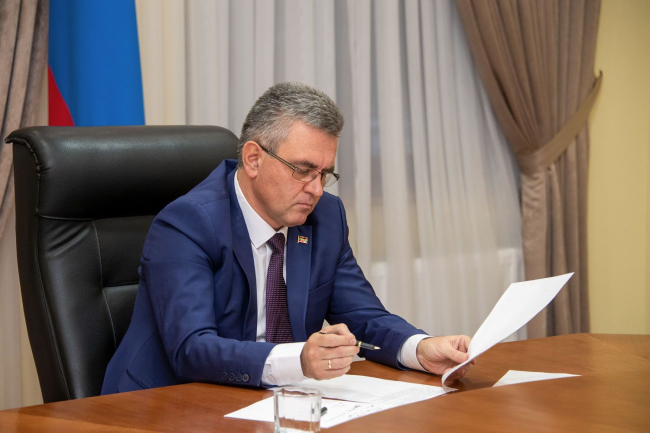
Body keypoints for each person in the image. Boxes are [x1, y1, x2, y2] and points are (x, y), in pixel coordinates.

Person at [101, 82, 472, 394]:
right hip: (162, 404)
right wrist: (299, 360)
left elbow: (364, 316)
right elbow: (192, 350)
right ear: (253, 159)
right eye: (303, 170)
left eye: (324, 174)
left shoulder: (325, 217)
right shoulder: (187, 223)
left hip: (273, 401)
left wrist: (420, 348)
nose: (316, 189)